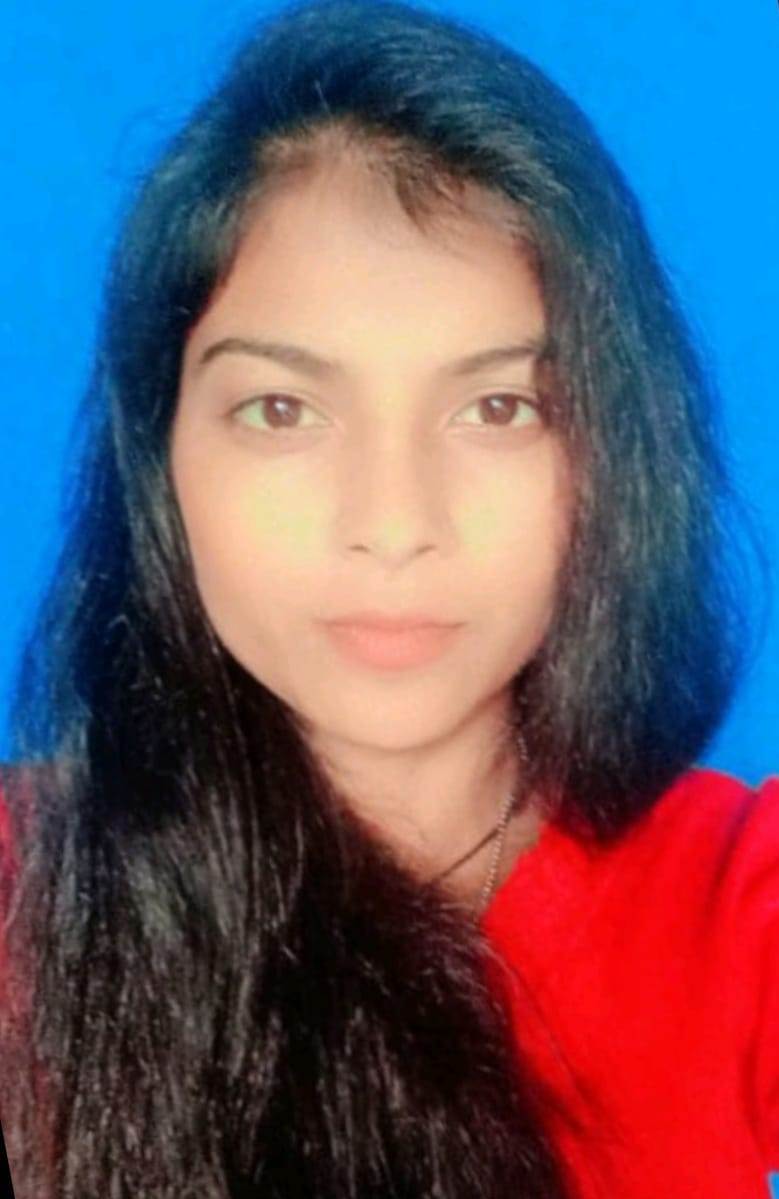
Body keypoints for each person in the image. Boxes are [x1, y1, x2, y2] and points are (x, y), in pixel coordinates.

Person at [0, 0, 776, 1195]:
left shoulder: (727, 900)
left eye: (498, 407)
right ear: (162, 456)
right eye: (282, 409)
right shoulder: (24, 895)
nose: (393, 521)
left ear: (613, 449)